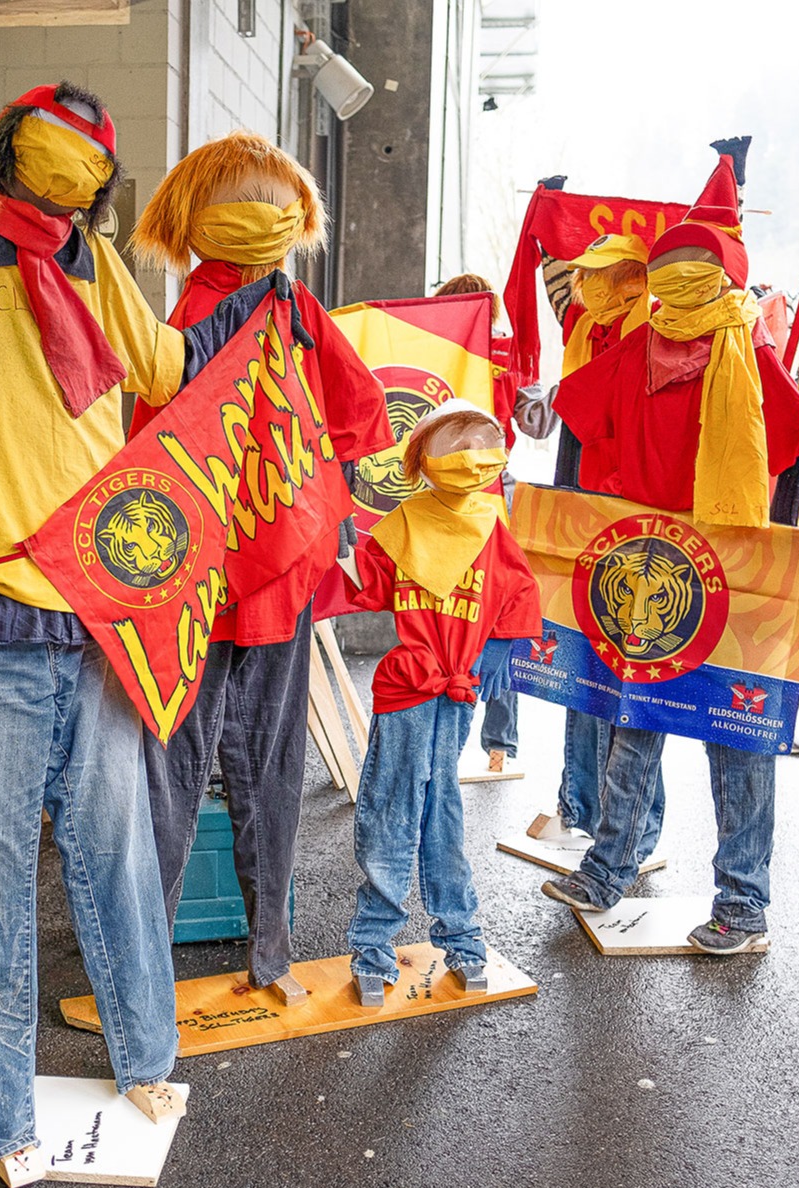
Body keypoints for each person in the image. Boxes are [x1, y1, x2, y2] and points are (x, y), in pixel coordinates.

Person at [0, 82, 289, 1184]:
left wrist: (247, 293)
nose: (70, 176)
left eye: (88, 164)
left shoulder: (95, 266)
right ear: (8, 150)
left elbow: (166, 372)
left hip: (98, 612)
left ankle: (146, 1054)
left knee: (115, 852)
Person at [124, 130, 391, 1004]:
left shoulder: (197, 319)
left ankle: (146, 959)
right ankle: (267, 954)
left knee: (171, 770)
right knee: (265, 768)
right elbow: (361, 414)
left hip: (192, 586)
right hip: (269, 581)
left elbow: (138, 454)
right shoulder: (288, 311)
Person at [547, 155, 799, 952]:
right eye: (668, 269)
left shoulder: (751, 357)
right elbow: (576, 418)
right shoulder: (632, 350)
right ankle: (608, 866)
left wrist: (775, 562)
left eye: (695, 268)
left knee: (736, 741)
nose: (677, 280)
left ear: (727, 275)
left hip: (736, 575)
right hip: (650, 571)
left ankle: (743, 901)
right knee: (635, 722)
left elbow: (795, 454)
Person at [340, 401, 540, 1003]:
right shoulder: (408, 522)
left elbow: (519, 590)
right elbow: (364, 580)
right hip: (409, 688)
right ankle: (377, 943)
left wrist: (502, 643)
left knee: (437, 810)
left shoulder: (489, 526)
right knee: (394, 808)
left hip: (455, 691)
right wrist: (340, 540)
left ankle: (459, 935)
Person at [512, 215, 667, 843]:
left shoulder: (660, 334)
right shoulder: (587, 334)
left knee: (636, 685)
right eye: (585, 278)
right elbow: (558, 299)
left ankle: (632, 829)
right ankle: (579, 811)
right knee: (583, 670)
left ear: (635, 280)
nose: (586, 288)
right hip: (587, 517)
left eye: (604, 278)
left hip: (640, 524)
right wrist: (550, 227)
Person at [434, 272, 526, 773]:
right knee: (496, 614)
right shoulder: (502, 357)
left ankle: (457, 737)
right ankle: (499, 745)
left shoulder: (448, 360)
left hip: (458, 493)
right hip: (497, 491)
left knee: (458, 613)